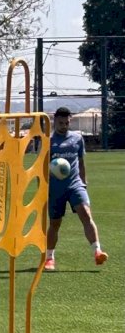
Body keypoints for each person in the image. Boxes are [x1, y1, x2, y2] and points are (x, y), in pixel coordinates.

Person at [44, 107, 107, 271]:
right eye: (60, 123)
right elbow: (41, 166)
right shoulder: (47, 141)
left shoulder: (77, 138)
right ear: (54, 121)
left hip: (74, 184)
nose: (63, 126)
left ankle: (97, 252)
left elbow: (80, 161)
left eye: (66, 123)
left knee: (86, 215)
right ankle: (49, 258)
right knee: (55, 223)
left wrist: (83, 182)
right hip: (55, 188)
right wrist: (43, 187)